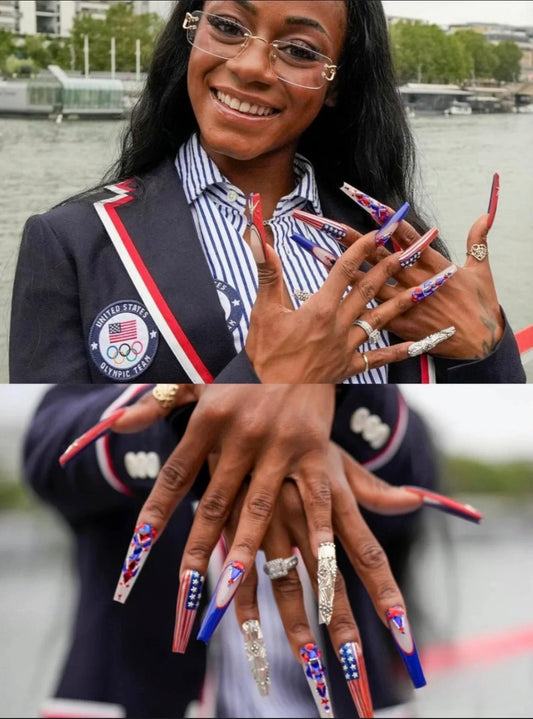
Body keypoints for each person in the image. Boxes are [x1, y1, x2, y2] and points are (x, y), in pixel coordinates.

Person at [9, 0, 525, 384]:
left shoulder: (393, 244)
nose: (251, 66)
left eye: (299, 51)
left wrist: (486, 346)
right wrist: (264, 378)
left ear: (337, 85)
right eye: (228, 27)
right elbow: (53, 469)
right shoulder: (73, 243)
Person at [22, 382, 475, 718]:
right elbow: (48, 453)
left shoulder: (359, 395)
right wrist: (198, 425)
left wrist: (319, 383)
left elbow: (410, 469)